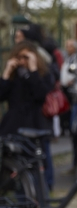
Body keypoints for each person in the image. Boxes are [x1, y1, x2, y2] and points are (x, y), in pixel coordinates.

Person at [0, 41, 55, 190]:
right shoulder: (12, 76)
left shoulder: (41, 74)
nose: (22, 61)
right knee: (13, 165)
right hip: (13, 125)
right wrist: (6, 73)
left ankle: (37, 196)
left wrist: (32, 70)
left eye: (26, 57)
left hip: (34, 124)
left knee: (34, 164)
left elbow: (40, 94)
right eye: (20, 57)